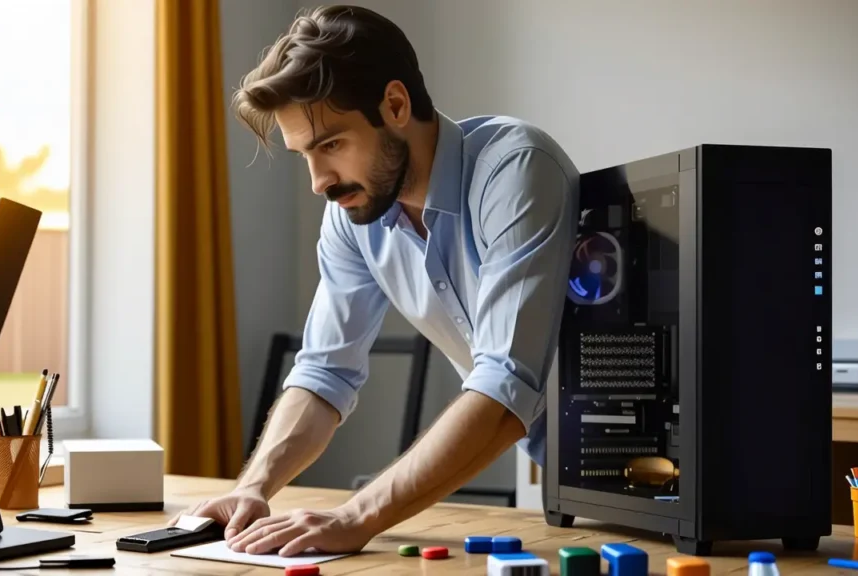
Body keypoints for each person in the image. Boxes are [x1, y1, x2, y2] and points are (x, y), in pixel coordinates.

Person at [172, 4, 579, 556]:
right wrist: (253, 488)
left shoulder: (514, 171)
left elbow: (505, 386)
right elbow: (323, 372)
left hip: (667, 471)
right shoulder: (353, 214)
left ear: (394, 104)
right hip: (570, 477)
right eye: (304, 155)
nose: (319, 182)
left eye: (332, 145)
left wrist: (358, 515)